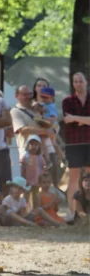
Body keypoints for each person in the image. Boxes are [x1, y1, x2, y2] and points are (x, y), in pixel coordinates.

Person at [62, 72, 90, 220]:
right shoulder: (67, 101)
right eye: (75, 81)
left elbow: (72, 119)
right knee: (73, 178)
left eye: (80, 81)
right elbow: (67, 120)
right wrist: (85, 120)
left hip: (89, 142)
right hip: (73, 144)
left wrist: (76, 118)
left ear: (86, 82)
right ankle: (72, 212)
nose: (78, 84)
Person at [20, 135, 47, 208]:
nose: (34, 146)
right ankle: (24, 209)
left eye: (36, 144)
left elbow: (44, 166)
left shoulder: (40, 157)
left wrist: (43, 175)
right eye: (31, 144)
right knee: (26, 195)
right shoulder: (26, 156)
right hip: (27, 180)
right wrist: (23, 178)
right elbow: (22, 167)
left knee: (36, 195)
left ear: (39, 146)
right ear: (28, 145)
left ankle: (36, 210)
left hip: (37, 180)